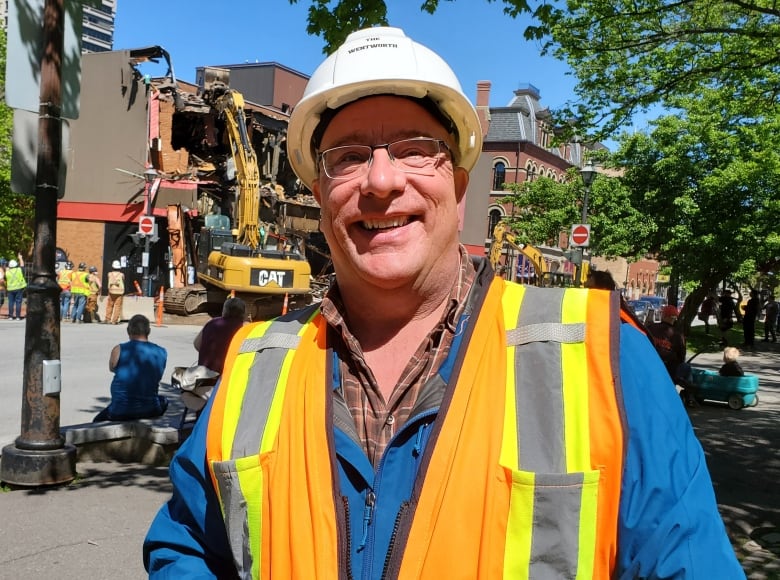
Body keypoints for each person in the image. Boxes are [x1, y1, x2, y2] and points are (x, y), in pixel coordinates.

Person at [144, 27, 743, 579]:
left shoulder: (602, 360)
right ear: (322, 196)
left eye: (413, 149)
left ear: (458, 191)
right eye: (348, 156)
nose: (380, 182)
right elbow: (189, 544)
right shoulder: (256, 366)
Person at [93, 314, 168, 422]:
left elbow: (112, 368)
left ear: (128, 330)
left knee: (97, 421)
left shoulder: (119, 349)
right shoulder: (162, 352)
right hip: (151, 409)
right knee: (164, 400)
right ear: (148, 331)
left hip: (120, 411)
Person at [193, 297, 246, 374]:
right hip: (226, 376)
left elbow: (197, 345)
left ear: (224, 310)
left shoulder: (212, 323)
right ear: (243, 313)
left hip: (204, 375)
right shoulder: (243, 328)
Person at [646, 305, 688, 383]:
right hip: (669, 371)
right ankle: (689, 393)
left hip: (650, 366)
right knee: (686, 368)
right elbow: (681, 356)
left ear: (663, 315)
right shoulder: (677, 334)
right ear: (675, 318)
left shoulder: (650, 328)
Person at [5, 253, 27, 321]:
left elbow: (5, 279)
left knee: (11, 303)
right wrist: (20, 258)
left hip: (10, 289)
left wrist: (7, 269)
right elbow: (22, 265)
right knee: (18, 302)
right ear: (16, 265)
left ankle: (11, 316)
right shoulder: (19, 270)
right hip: (19, 288)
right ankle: (18, 316)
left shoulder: (7, 272)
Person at [104, 260, 125, 324]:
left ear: (112, 267)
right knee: (117, 306)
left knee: (110, 305)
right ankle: (114, 320)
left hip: (111, 292)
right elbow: (123, 279)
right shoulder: (122, 274)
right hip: (119, 292)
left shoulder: (109, 274)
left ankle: (107, 319)